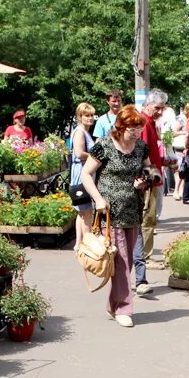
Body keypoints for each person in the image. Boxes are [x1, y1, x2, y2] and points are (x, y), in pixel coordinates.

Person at [80, 105, 154, 328]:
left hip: (133, 209)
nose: (136, 134)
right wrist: (98, 199)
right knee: (120, 262)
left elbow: (150, 170)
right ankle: (124, 308)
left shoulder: (141, 147)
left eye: (139, 129)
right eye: (132, 130)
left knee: (127, 261)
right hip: (110, 213)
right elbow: (86, 174)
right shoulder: (104, 146)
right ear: (121, 127)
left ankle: (113, 305)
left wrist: (144, 180)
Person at [133, 90, 167, 296]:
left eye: (162, 108)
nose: (160, 112)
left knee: (150, 218)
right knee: (148, 218)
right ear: (148, 105)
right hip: (148, 180)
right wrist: (148, 178)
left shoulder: (148, 122)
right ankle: (145, 256)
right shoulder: (144, 123)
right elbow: (143, 154)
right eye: (157, 108)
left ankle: (146, 255)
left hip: (152, 177)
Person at [69, 102, 97, 249]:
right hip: (82, 174)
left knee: (82, 211)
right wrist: (96, 157)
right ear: (80, 116)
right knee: (86, 211)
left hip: (81, 172)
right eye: (87, 115)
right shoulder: (80, 132)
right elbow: (79, 153)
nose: (90, 118)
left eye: (92, 115)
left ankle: (79, 243)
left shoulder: (82, 131)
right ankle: (87, 242)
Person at [172, 103, 189, 201]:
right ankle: (176, 191)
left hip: (187, 147)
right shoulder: (180, 119)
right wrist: (184, 132)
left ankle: (181, 190)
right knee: (181, 169)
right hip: (180, 147)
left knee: (185, 170)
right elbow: (173, 132)